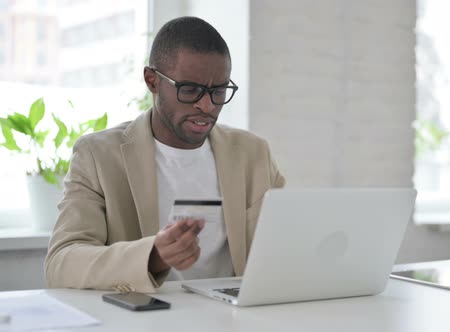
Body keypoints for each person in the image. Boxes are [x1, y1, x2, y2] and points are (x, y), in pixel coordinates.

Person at [44, 16, 285, 292]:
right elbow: (60, 265)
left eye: (218, 91)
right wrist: (152, 257)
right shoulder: (98, 156)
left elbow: (288, 243)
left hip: (233, 318)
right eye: (190, 90)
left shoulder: (253, 154)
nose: (207, 105)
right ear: (152, 81)